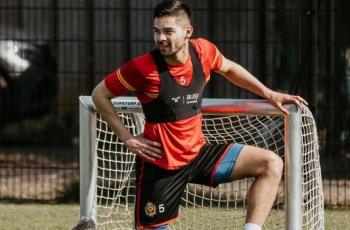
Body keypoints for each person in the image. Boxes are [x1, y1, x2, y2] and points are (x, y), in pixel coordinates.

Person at [92, 0, 307, 229]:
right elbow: (99, 95)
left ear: (188, 32)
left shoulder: (203, 51)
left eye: (168, 31)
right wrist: (127, 137)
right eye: (156, 31)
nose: (160, 38)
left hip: (198, 154)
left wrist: (268, 92)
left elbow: (230, 68)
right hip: (161, 166)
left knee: (271, 163)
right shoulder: (143, 68)